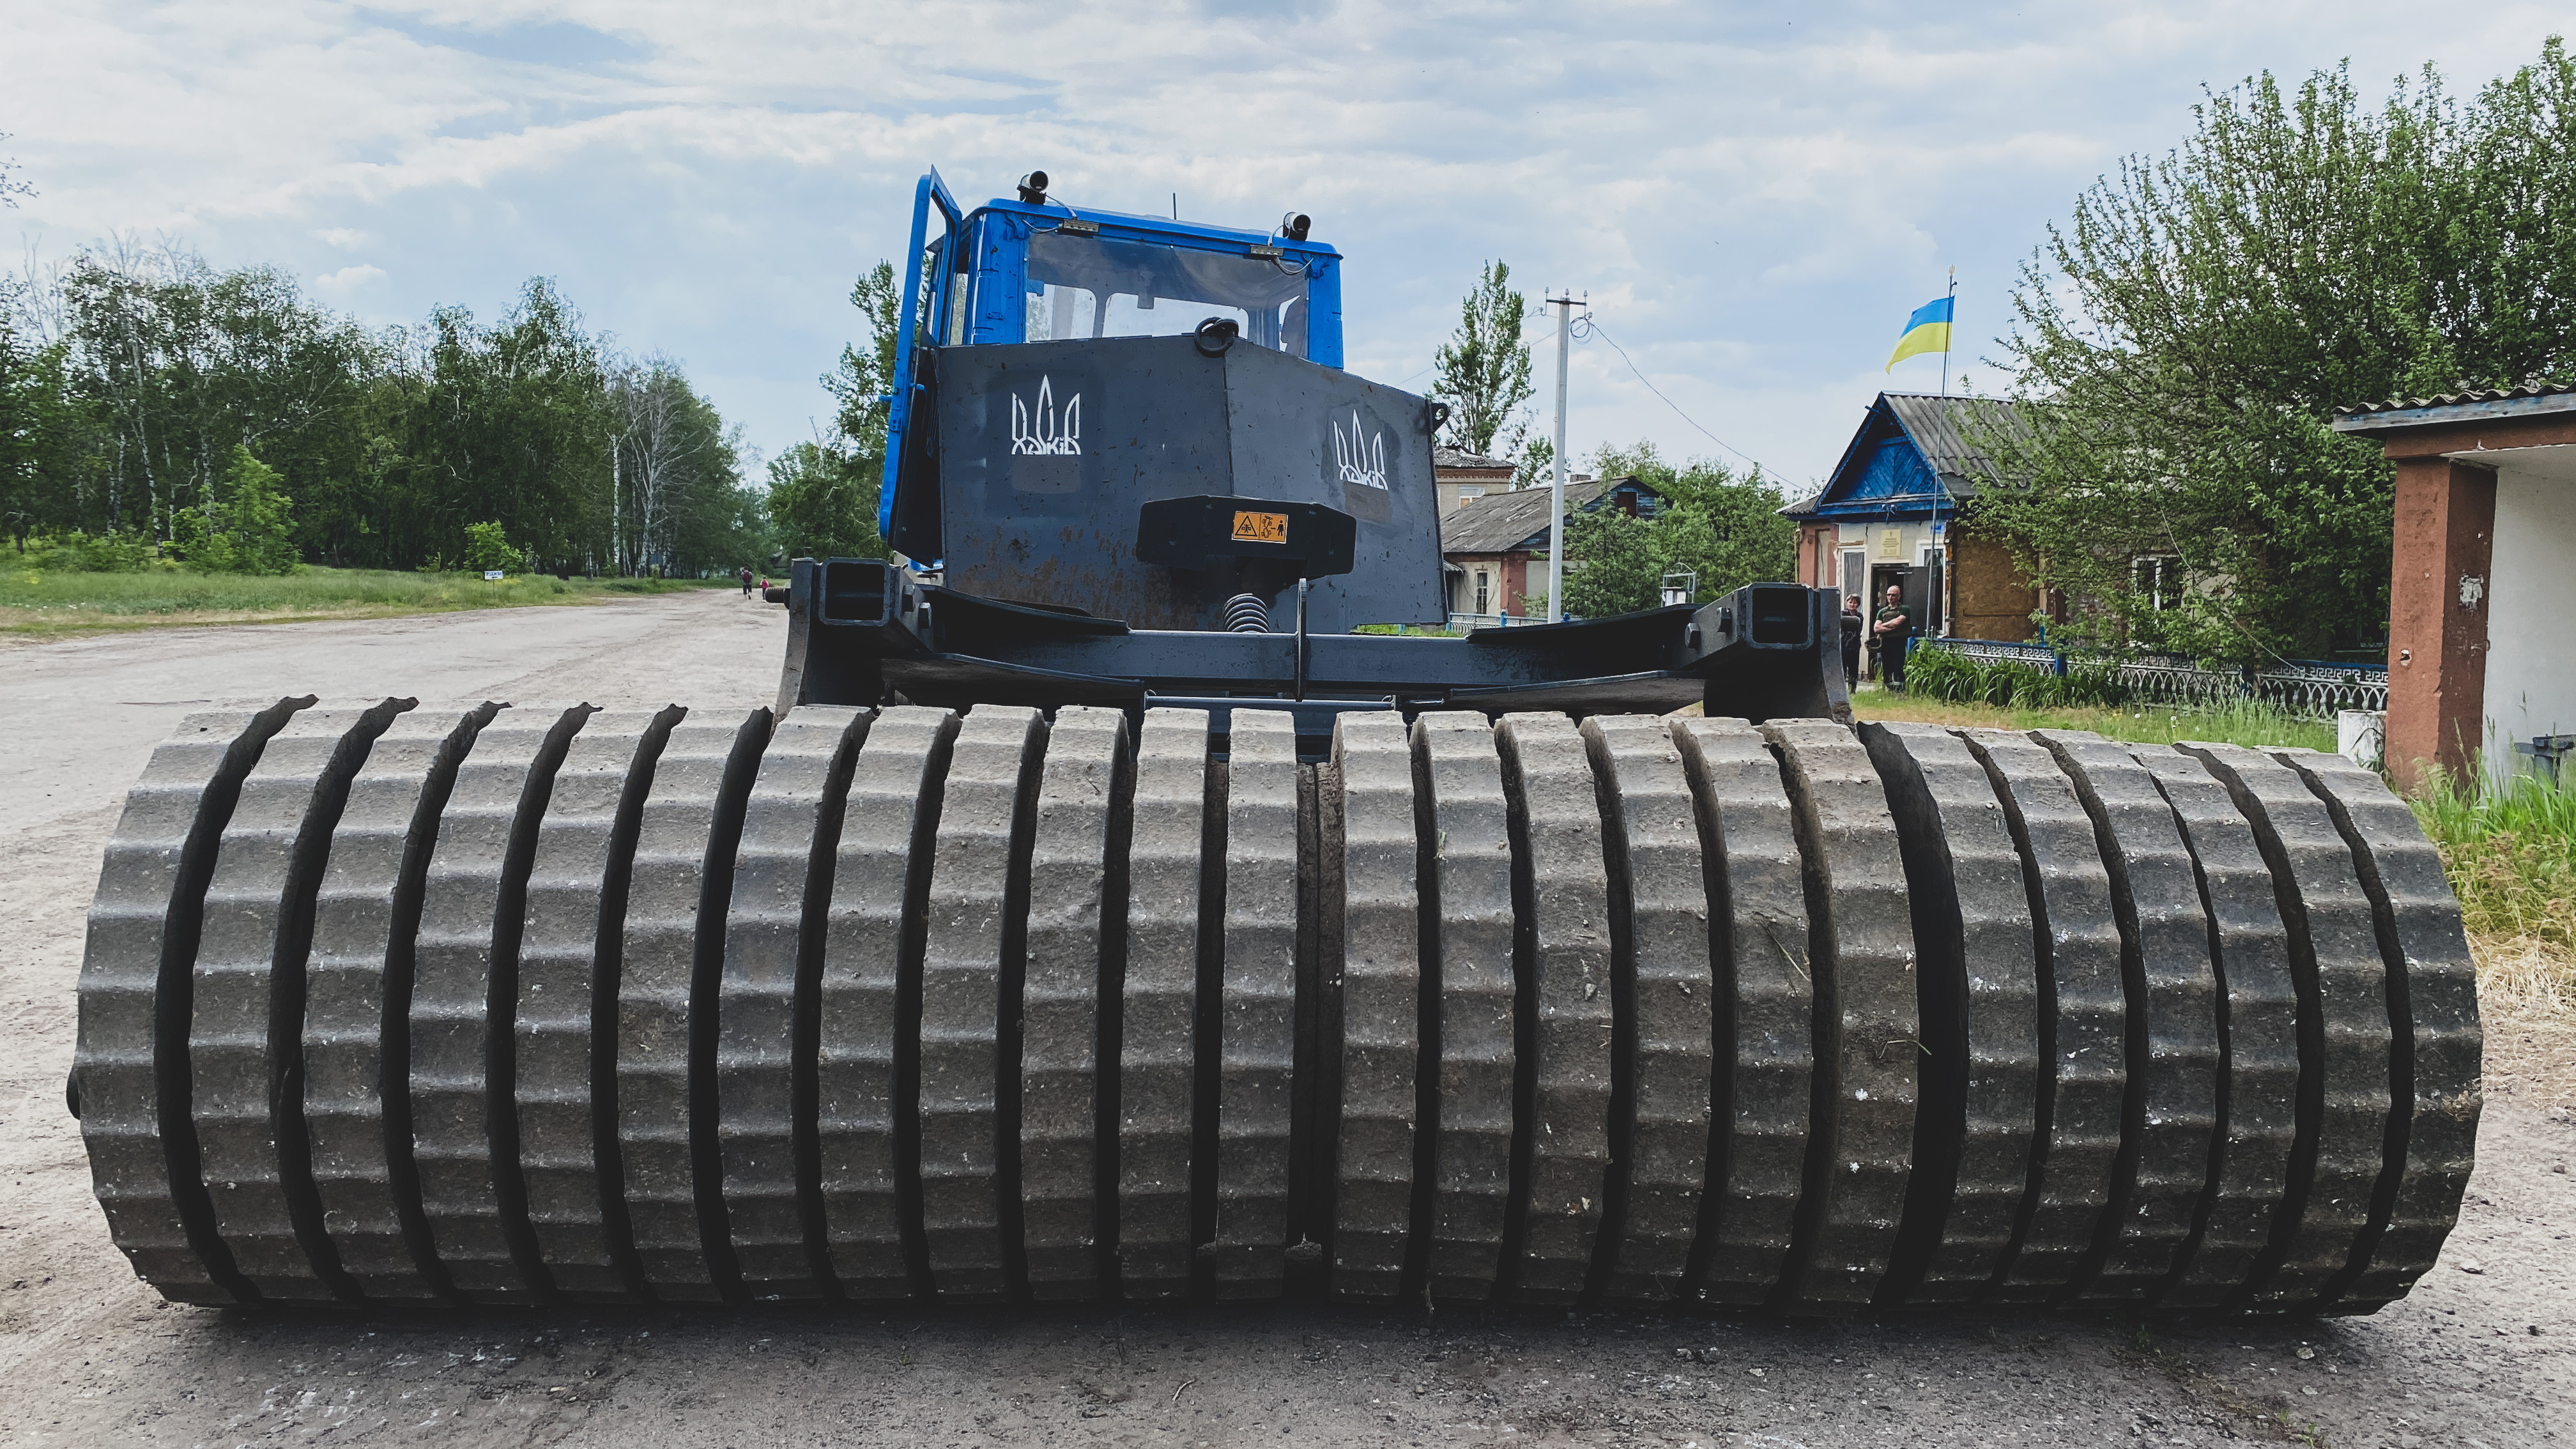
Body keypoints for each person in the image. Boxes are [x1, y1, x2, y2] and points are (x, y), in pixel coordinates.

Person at [1872, 583, 1915, 692]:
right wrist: (1891, 628)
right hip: (1886, 643)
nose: (1890, 597)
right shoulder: (1882, 612)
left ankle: (1900, 692)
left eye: (1893, 595)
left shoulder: (1904, 609)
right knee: (1886, 668)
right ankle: (1890, 690)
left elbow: (1898, 622)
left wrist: (1885, 625)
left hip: (1899, 642)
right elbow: (1876, 628)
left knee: (1898, 668)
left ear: (1899, 596)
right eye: (1889, 595)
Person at [1839, 595, 1864, 690]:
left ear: (1858, 604)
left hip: (1855, 645)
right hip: (1843, 644)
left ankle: (1852, 689)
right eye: (1850, 602)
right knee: (1843, 668)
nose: (1852, 604)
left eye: (1855, 603)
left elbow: (1859, 630)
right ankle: (1842, 689)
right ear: (1847, 603)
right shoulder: (1842, 614)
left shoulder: (1860, 616)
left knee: (1854, 669)